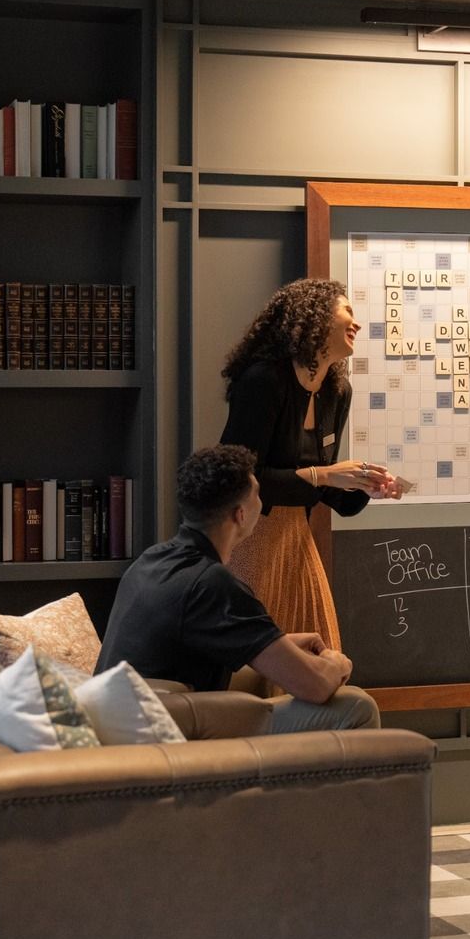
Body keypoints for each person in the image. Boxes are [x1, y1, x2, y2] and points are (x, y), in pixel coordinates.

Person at [96, 444, 380, 732]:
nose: (262, 501)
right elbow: (316, 686)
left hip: (124, 726)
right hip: (168, 736)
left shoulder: (153, 561)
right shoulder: (212, 584)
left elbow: (192, 645)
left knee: (264, 676)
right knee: (356, 706)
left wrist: (281, 645)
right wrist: (336, 662)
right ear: (241, 515)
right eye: (258, 494)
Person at [218, 278, 402, 663]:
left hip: (295, 539)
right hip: (247, 536)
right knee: (259, 664)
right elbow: (240, 480)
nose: (357, 323)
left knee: (323, 657)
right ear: (316, 316)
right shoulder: (264, 380)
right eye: (348, 310)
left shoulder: (337, 391)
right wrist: (326, 475)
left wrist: (365, 487)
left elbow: (329, 492)